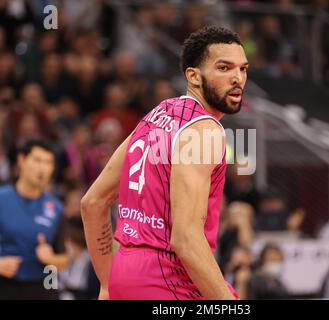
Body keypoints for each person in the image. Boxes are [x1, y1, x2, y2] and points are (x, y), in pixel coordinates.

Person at [81, 26, 249, 300]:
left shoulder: (157, 114)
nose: (237, 78)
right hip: (168, 277)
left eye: (242, 69)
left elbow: (93, 203)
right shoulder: (205, 130)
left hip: (125, 271)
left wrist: (106, 284)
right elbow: (185, 240)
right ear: (193, 76)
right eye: (224, 68)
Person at [0, 139, 67, 299]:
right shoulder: (2, 199)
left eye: (48, 162)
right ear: (21, 160)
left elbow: (64, 259)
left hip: (42, 286)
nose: (42, 168)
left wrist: (51, 259)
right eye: (37, 160)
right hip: (5, 285)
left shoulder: (55, 207)